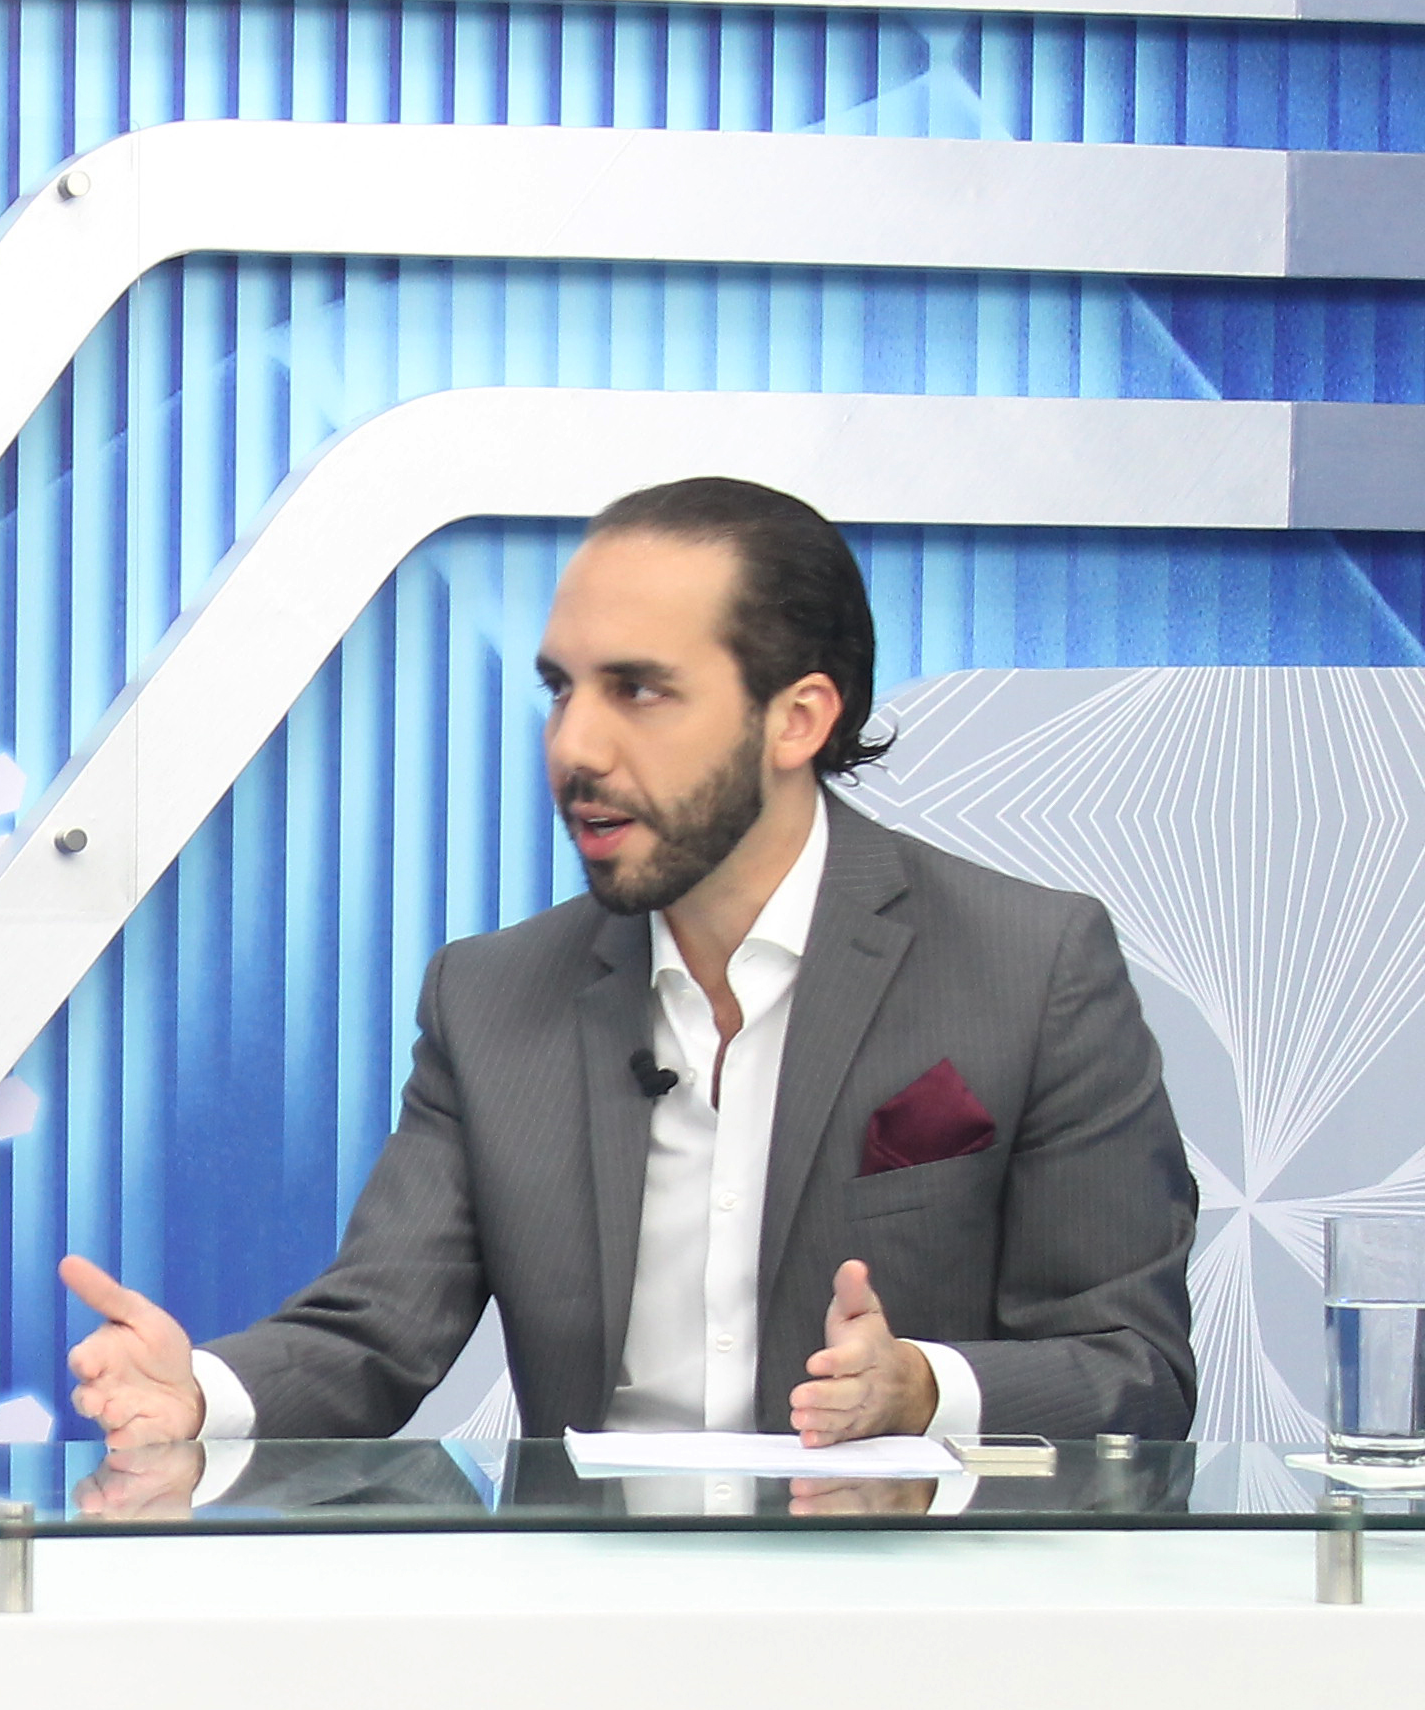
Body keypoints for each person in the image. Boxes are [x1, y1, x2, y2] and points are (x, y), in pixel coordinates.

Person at [62, 478, 1196, 1462]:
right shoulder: (491, 998)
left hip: (903, 1608)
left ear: (798, 719)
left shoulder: (1029, 967)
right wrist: (202, 1394)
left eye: (638, 691)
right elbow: (377, 1329)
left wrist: (926, 1390)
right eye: (562, 689)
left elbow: (1133, 1371)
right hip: (594, 1605)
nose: (575, 747)